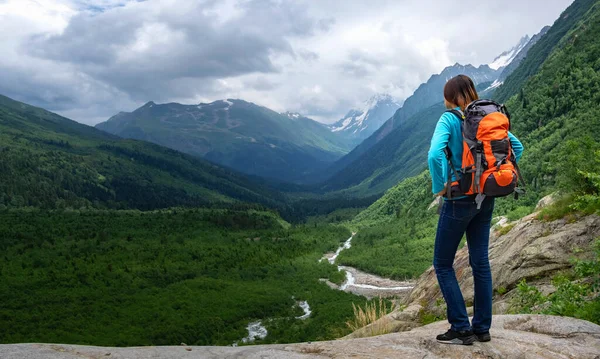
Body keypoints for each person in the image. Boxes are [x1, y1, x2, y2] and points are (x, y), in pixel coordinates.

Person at [427, 75, 523, 345]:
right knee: (480, 261)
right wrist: (494, 175)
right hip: (486, 197)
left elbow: (434, 155)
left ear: (451, 97)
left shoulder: (450, 119)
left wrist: (440, 187)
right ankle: (482, 328)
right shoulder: (487, 116)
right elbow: (517, 147)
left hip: (458, 200)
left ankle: (460, 327)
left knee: (443, 264)